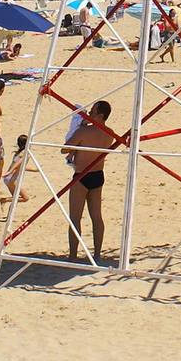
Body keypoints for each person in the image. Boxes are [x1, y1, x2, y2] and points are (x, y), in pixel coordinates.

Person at [63, 100, 114, 262]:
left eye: (92, 112)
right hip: (98, 175)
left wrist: (80, 128)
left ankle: (72, 256)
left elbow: (65, 148)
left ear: (100, 115)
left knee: (75, 217)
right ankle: (97, 254)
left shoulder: (84, 132)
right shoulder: (110, 134)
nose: (89, 115)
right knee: (96, 216)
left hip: (81, 176)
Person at [0, 134, 35, 204]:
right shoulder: (26, 153)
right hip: (12, 179)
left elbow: (21, 167)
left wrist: (36, 170)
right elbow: (17, 164)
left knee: (14, 199)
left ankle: (9, 212)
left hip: (8, 179)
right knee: (25, 198)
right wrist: (10, 171)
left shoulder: (19, 152)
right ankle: (4, 200)